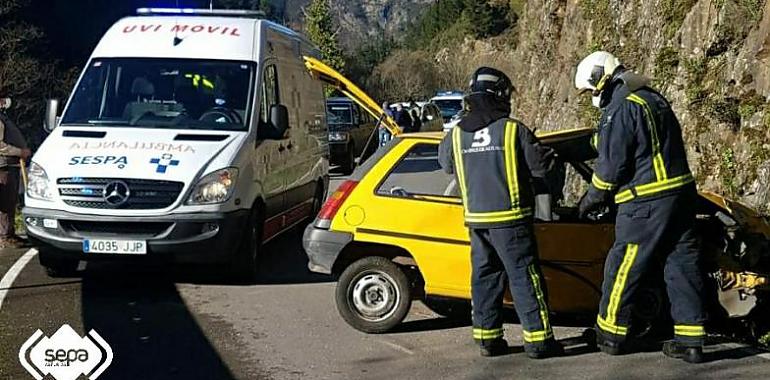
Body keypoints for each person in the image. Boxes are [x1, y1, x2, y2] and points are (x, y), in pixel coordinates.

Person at [574, 51, 706, 363]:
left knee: (622, 265)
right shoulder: (652, 98)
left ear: (599, 80)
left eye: (590, 91)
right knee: (681, 264)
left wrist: (589, 201)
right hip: (682, 196)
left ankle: (610, 334)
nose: (591, 97)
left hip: (645, 202)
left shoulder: (618, 109)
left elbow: (610, 169)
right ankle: (691, 342)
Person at [438, 67, 561, 358]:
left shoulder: (455, 135)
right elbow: (541, 168)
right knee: (524, 278)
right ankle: (539, 341)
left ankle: (487, 340)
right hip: (511, 220)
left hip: (477, 222)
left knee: (484, 278)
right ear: (500, 95)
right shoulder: (512, 130)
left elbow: (446, 164)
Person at [0, 98, 31, 248]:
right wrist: (20, 152)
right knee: (5, 201)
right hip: (3, 166)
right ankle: (4, 236)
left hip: (11, 165)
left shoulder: (3, 117)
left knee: (11, 200)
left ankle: (10, 233)